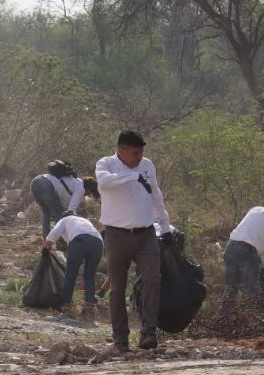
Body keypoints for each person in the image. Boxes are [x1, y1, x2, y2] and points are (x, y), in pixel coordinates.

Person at [95, 131, 172, 354]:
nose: (139, 157)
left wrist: (165, 226)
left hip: (146, 233)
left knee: (152, 279)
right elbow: (104, 183)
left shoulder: (147, 165)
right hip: (116, 234)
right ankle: (120, 338)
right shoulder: (106, 164)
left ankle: (148, 333)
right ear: (121, 151)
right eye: (135, 153)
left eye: (141, 153)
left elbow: (156, 193)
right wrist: (132, 176)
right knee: (117, 287)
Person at [219, 203, 264, 314]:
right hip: (247, 252)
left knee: (231, 288)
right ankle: (252, 324)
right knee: (252, 291)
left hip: (231, 248)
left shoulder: (256, 209)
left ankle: (222, 319)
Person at [43, 212, 104, 317]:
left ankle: (66, 304)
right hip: (98, 243)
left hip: (79, 241)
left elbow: (54, 233)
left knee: (71, 273)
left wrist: (46, 247)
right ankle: (89, 305)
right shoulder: (85, 221)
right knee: (89, 275)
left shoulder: (64, 220)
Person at [29, 161, 85, 236]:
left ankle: (46, 237)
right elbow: (71, 210)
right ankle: (59, 238)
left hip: (35, 181)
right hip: (46, 184)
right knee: (58, 213)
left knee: (46, 211)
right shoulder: (80, 187)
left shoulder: (72, 180)